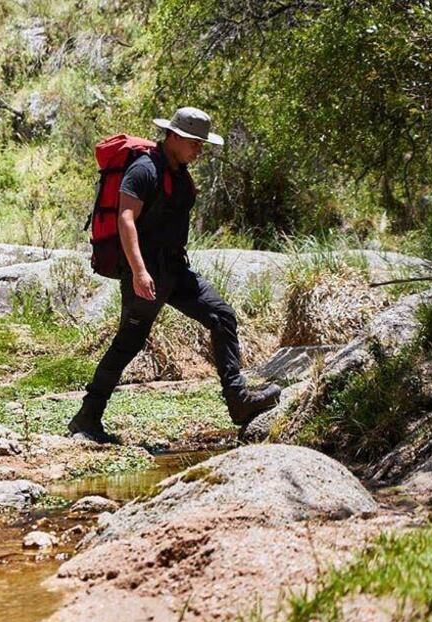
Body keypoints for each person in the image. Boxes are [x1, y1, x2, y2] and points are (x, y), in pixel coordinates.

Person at [69, 107, 281, 443]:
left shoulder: (179, 173)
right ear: (175, 136)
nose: (200, 150)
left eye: (201, 144)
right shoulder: (144, 169)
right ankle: (87, 416)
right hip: (146, 272)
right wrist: (138, 271)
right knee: (129, 342)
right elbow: (126, 218)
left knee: (221, 315)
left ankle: (238, 400)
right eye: (195, 143)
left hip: (175, 270)